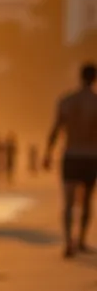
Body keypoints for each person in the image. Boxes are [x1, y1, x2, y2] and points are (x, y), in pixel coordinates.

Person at [43, 62, 97, 258]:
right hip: (91, 156)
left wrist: (47, 154)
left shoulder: (66, 101)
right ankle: (81, 240)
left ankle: (68, 242)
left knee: (68, 201)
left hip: (71, 155)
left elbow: (56, 129)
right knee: (87, 201)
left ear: (80, 76)